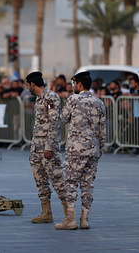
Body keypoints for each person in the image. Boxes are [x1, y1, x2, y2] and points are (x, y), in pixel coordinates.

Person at [55, 71, 106, 230]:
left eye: (74, 84)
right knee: (87, 184)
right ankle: (84, 219)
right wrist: (100, 149)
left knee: (70, 182)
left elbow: (63, 118)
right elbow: (102, 130)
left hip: (76, 148)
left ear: (79, 84)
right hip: (93, 149)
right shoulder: (99, 102)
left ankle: (71, 219)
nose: (73, 86)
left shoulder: (73, 99)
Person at [25, 72, 67, 224]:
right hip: (37, 147)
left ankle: (69, 214)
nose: (27, 87)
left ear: (32, 84)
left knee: (57, 180)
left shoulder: (51, 97)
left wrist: (49, 146)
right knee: (40, 180)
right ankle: (46, 212)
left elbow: (54, 123)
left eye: (27, 85)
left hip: (48, 148)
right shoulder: (39, 99)